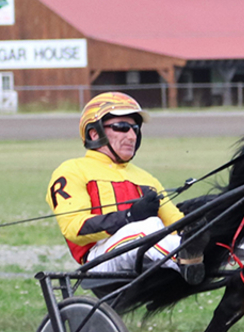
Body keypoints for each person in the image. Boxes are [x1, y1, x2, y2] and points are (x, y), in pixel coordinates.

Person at [46, 92, 206, 284]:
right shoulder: (72, 170)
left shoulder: (146, 178)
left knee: (203, 223)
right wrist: (128, 217)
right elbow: (74, 228)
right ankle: (185, 258)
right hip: (97, 261)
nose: (132, 136)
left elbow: (174, 224)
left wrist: (197, 226)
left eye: (135, 129)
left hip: (143, 253)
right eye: (122, 127)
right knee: (146, 226)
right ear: (94, 133)